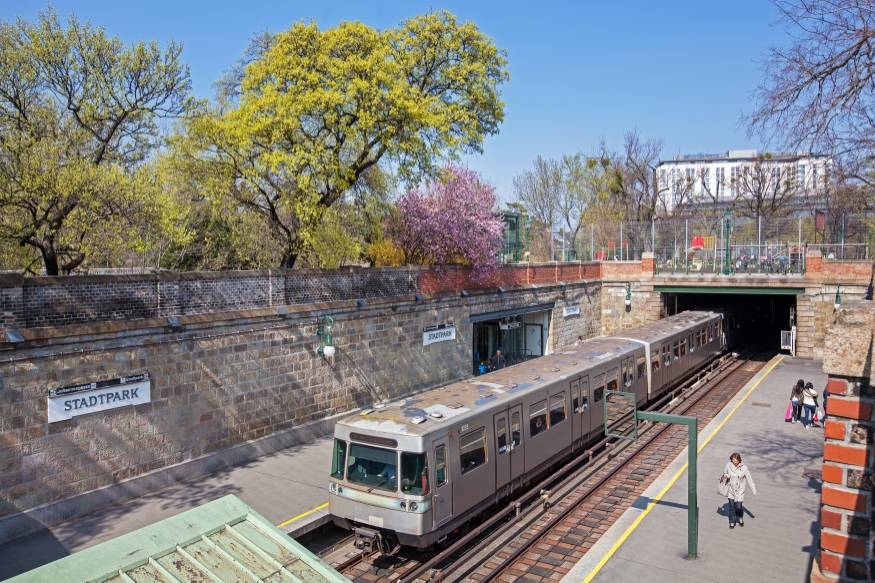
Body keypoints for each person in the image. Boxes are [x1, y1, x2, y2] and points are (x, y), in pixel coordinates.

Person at [724, 452, 757, 528]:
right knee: (732, 507)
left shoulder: (744, 468)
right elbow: (724, 474)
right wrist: (727, 475)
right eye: (733, 461)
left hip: (740, 490)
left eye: (736, 461)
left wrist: (754, 490)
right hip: (731, 489)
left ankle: (740, 517)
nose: (735, 463)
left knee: (738, 507)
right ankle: (732, 522)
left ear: (739, 460)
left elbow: (749, 479)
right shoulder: (728, 465)